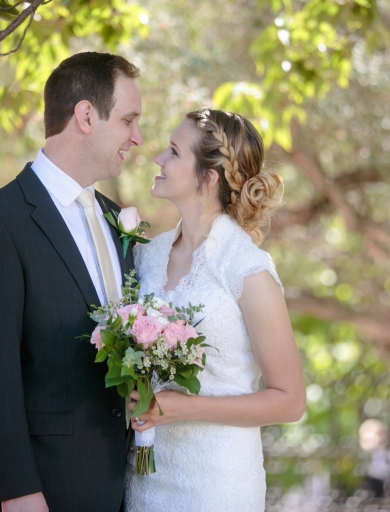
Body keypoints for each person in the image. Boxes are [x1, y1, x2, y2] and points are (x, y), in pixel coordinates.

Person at [0, 52, 143, 512]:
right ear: (86, 116)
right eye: (129, 120)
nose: (137, 138)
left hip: (123, 493)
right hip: (41, 494)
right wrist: (18, 493)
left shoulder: (121, 221)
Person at [124, 108, 306, 511]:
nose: (158, 158)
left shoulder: (247, 269)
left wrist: (189, 407)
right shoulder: (146, 258)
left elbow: (290, 400)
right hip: (146, 482)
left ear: (207, 178)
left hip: (218, 484)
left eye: (173, 152)